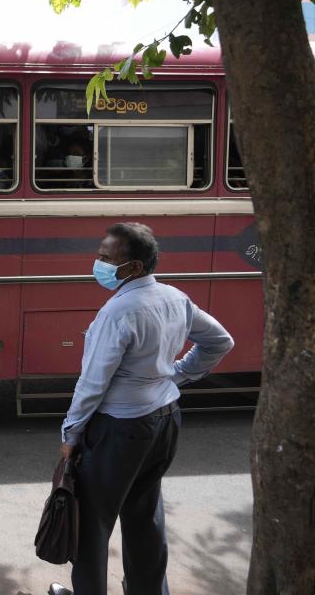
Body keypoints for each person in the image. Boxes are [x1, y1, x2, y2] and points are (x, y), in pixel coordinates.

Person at [48, 223, 234, 595]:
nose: (97, 263)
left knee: (92, 525)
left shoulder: (118, 312)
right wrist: (177, 376)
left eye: (105, 258)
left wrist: (71, 433)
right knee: (145, 517)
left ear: (132, 267)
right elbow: (220, 341)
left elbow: (93, 383)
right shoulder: (174, 297)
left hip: (120, 428)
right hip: (165, 420)